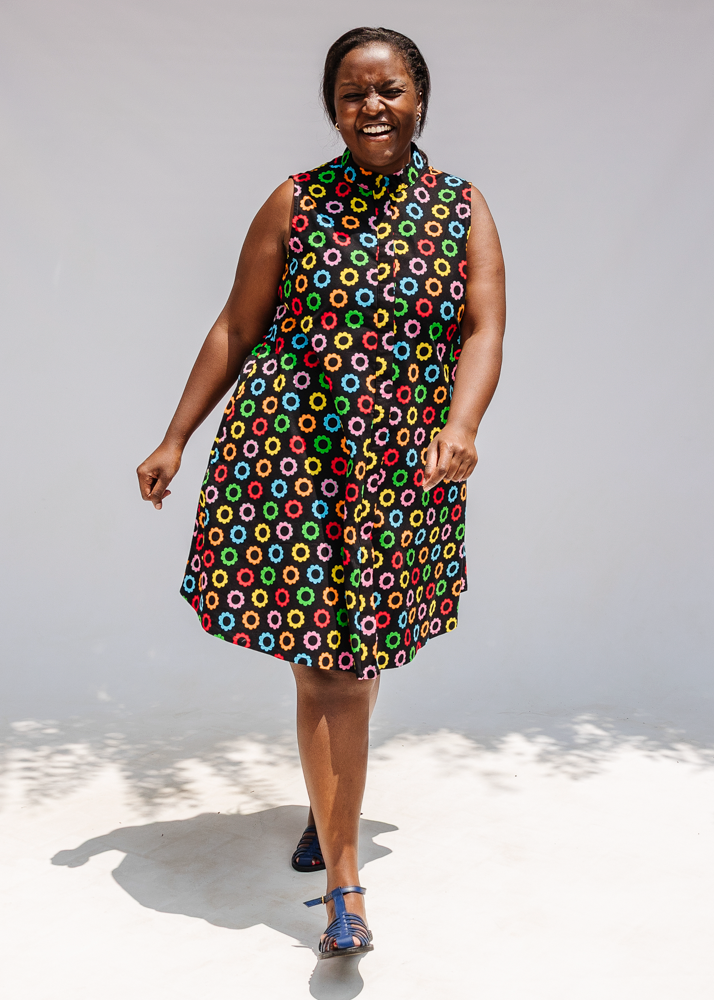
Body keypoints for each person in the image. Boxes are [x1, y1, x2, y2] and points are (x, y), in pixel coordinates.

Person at [137, 26, 505, 959]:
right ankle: (345, 886)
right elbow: (237, 323)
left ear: (420, 96)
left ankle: (328, 805)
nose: (370, 108)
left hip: (401, 471)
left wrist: (460, 426)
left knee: (358, 654)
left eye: (387, 90)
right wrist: (177, 434)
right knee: (329, 666)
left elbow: (483, 328)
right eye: (350, 93)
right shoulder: (295, 203)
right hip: (290, 460)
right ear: (332, 107)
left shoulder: (462, 210)